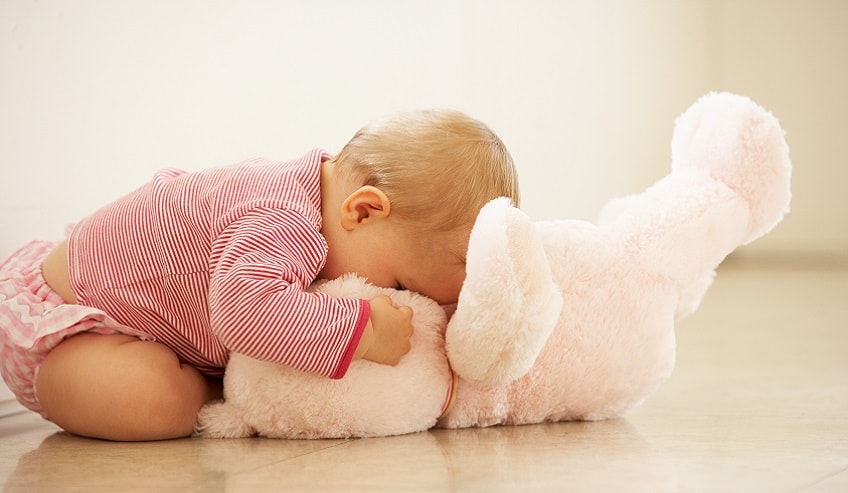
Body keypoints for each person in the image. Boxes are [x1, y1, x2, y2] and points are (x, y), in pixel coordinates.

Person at [0, 109, 520, 441]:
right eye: (402, 285)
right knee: (155, 399)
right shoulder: (285, 219)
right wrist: (360, 330)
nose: (397, 299)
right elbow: (244, 309)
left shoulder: (320, 196)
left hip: (147, 323)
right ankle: (75, 387)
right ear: (363, 211)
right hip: (78, 325)